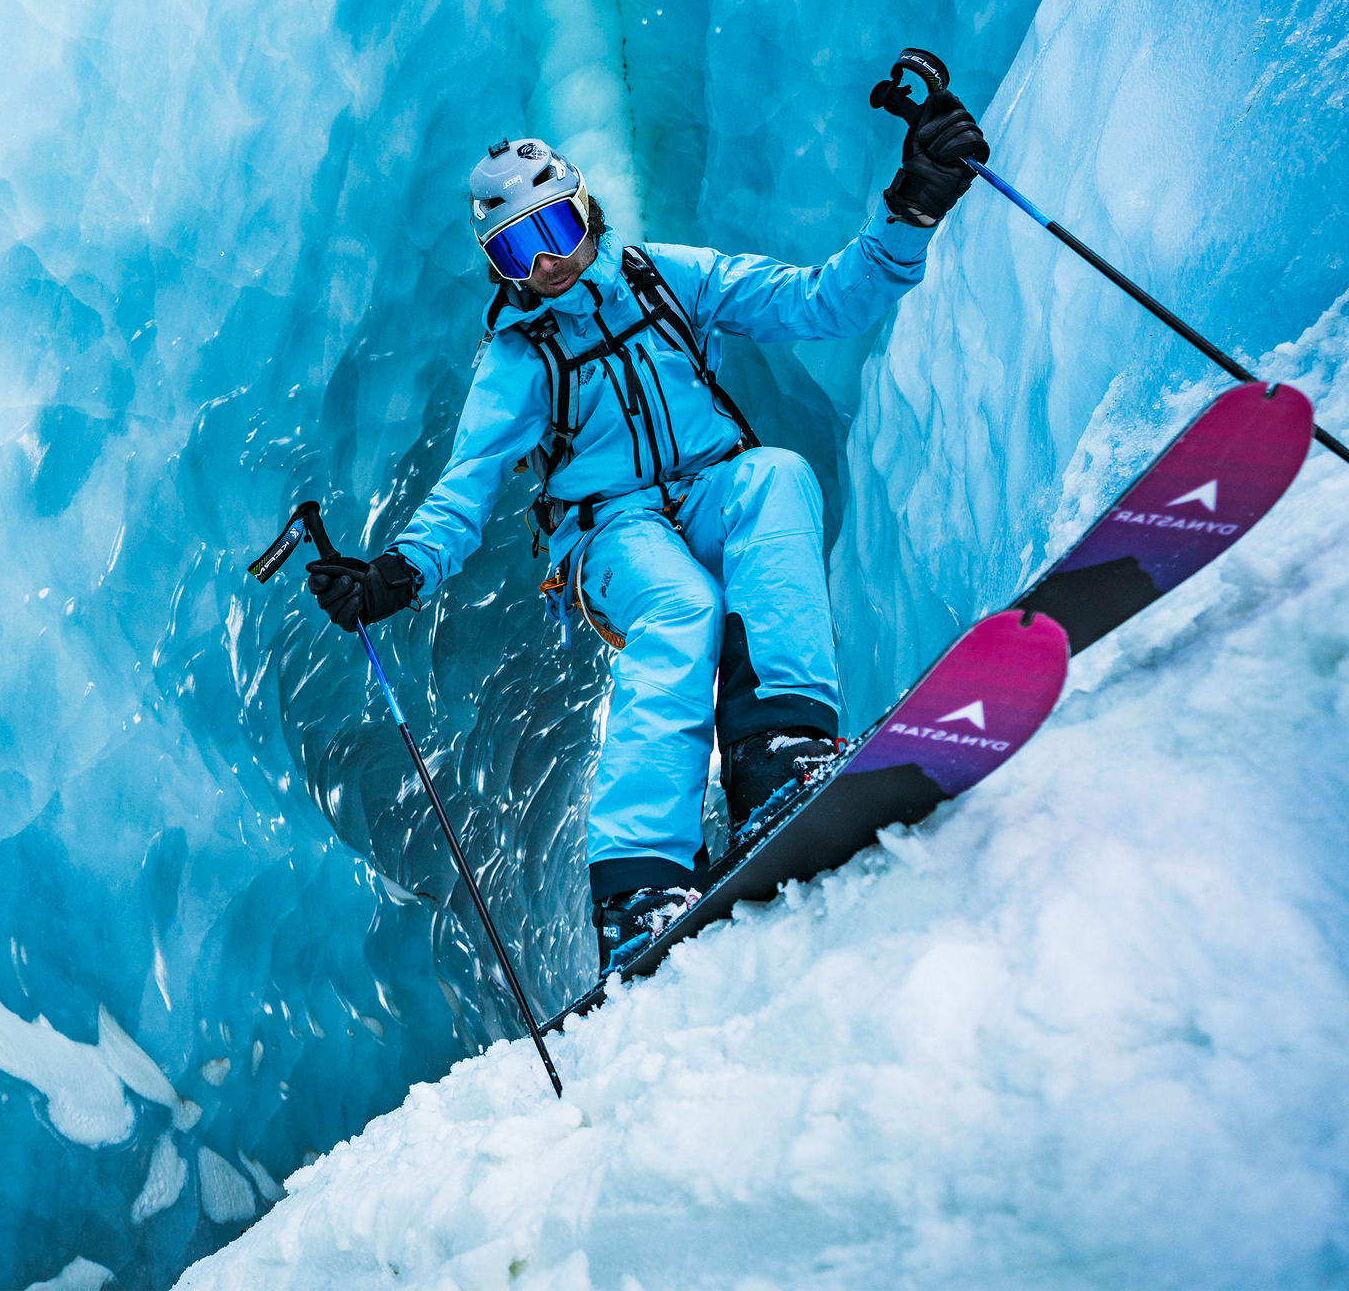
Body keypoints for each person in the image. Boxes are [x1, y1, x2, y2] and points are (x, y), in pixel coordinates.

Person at [301, 93, 989, 971]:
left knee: (777, 475)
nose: (550, 260)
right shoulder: (517, 362)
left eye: (555, 225)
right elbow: (462, 492)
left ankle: (779, 756)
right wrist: (395, 575)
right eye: (519, 247)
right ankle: (637, 882)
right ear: (500, 267)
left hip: (709, 490)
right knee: (682, 603)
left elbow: (816, 304)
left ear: (584, 207)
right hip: (609, 536)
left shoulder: (663, 278)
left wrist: (911, 211)